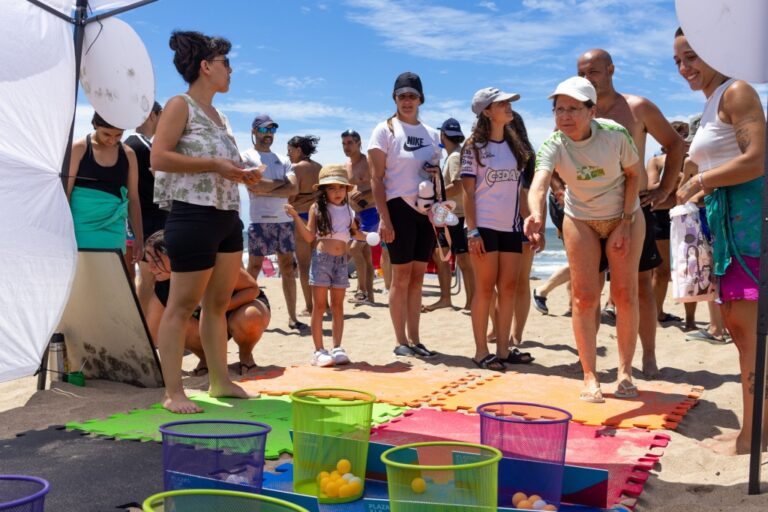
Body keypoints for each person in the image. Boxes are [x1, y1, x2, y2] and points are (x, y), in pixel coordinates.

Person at [151, 30, 259, 413]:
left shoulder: (220, 115)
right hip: (193, 215)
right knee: (181, 307)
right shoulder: (179, 104)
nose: (231, 70)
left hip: (227, 215)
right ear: (206, 66)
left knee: (217, 304)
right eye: (226, 63)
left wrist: (242, 173)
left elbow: (220, 167)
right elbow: (159, 158)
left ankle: (220, 382)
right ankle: (173, 392)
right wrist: (215, 164)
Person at [674, 27, 766, 455]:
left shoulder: (737, 91)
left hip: (750, 233)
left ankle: (755, 435)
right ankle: (757, 428)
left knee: (749, 332)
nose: (684, 68)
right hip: (726, 234)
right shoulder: (712, 102)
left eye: (690, 56)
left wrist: (700, 182)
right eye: (677, 61)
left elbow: (756, 159)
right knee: (738, 328)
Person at [525, 76, 644, 402]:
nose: (565, 116)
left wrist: (625, 220)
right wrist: (535, 213)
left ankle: (625, 372)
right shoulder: (553, 144)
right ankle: (590, 376)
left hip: (625, 215)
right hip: (580, 219)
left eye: (573, 109)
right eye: (559, 109)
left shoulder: (615, 135)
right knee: (584, 298)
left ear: (591, 111)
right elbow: (539, 182)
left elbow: (636, 175)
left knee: (623, 294)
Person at [577, 48, 685, 379]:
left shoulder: (637, 107)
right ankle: (591, 364)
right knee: (590, 291)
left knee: (639, 287)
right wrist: (556, 188)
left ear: (611, 69)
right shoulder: (580, 109)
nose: (587, 79)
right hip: (590, 210)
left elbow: (676, 144)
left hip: (633, 210)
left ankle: (649, 356)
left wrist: (665, 190)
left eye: (593, 72)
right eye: (581, 73)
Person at [367, 71, 439, 358]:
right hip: (397, 208)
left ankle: (416, 338)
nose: (407, 101)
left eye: (412, 96)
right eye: (402, 96)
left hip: (425, 210)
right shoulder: (384, 130)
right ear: (394, 99)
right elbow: (376, 178)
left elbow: (436, 175)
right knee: (400, 276)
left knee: (419, 277)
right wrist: (383, 218)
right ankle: (401, 340)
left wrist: (435, 175)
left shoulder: (432, 134)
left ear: (421, 99)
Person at [462, 87, 533, 372]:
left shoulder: (516, 147)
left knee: (509, 288)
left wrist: (529, 224)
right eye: (501, 103)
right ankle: (481, 351)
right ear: (487, 112)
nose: (508, 106)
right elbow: (468, 192)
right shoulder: (473, 147)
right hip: (485, 227)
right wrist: (472, 230)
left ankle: (503, 349)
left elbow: (521, 191)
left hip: (511, 227)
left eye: (508, 103)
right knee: (485, 289)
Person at [143, 231, 270, 376]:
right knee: (174, 324)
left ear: (176, 254)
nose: (150, 267)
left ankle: (246, 355)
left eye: (157, 260)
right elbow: (152, 335)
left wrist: (216, 309)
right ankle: (206, 359)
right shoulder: (163, 287)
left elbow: (252, 289)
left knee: (251, 316)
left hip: (240, 308)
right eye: (148, 260)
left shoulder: (209, 265)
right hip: (205, 323)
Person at [285, 165, 367, 367]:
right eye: (332, 188)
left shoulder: (349, 210)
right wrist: (296, 217)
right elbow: (309, 236)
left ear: (347, 189)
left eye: (341, 188)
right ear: (324, 190)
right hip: (321, 259)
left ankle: (337, 347)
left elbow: (357, 234)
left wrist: (376, 237)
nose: (337, 192)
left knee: (338, 306)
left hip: (341, 261)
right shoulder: (317, 208)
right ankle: (318, 351)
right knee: (319, 307)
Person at [242, 115, 304, 331]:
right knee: (254, 268)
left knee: (288, 268)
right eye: (264, 130)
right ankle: (243, 312)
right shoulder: (247, 156)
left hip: (284, 220)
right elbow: (253, 187)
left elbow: (294, 189)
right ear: (254, 131)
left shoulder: (283, 159)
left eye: (272, 130)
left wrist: (267, 186)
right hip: (260, 220)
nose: (268, 134)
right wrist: (280, 186)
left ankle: (293, 318)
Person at [67, 112, 143, 262]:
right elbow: (65, 193)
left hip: (113, 227)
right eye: (106, 134)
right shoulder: (79, 149)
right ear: (95, 124)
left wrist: (139, 237)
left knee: (110, 276)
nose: (112, 140)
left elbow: (133, 198)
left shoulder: (128, 154)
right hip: (80, 226)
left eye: (118, 135)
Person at [422, 118, 473, 312]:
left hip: (455, 215)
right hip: (451, 214)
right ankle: (447, 299)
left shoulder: (454, 157)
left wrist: (436, 195)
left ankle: (467, 302)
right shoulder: (455, 155)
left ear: (443, 135)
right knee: (442, 255)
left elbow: (458, 186)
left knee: (463, 261)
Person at [646, 121, 689, 324]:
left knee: (684, 268)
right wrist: (678, 180)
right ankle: (656, 313)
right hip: (660, 218)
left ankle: (662, 313)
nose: (684, 139)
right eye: (679, 135)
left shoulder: (693, 162)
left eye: (686, 135)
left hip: (684, 217)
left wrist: (670, 189)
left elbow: (691, 197)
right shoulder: (657, 161)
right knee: (660, 270)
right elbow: (653, 192)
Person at [125, 101, 165, 315]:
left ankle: (148, 332)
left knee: (147, 279)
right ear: (152, 115)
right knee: (151, 280)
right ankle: (148, 333)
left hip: (140, 222)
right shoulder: (143, 146)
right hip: (152, 222)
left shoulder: (130, 144)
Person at [287, 135, 322, 316]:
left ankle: (310, 306)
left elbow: (291, 195)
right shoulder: (319, 167)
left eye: (290, 150)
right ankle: (326, 305)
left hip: (301, 216)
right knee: (320, 264)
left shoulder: (296, 169)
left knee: (304, 265)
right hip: (319, 216)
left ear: (299, 150)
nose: (288, 154)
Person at [343, 129, 377, 306]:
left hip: (372, 213)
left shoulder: (368, 162)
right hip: (355, 215)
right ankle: (369, 296)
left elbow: (382, 185)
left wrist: (365, 195)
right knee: (365, 255)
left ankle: (361, 291)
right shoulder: (346, 166)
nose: (346, 147)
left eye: (349, 143)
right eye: (344, 143)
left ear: (358, 143)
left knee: (355, 249)